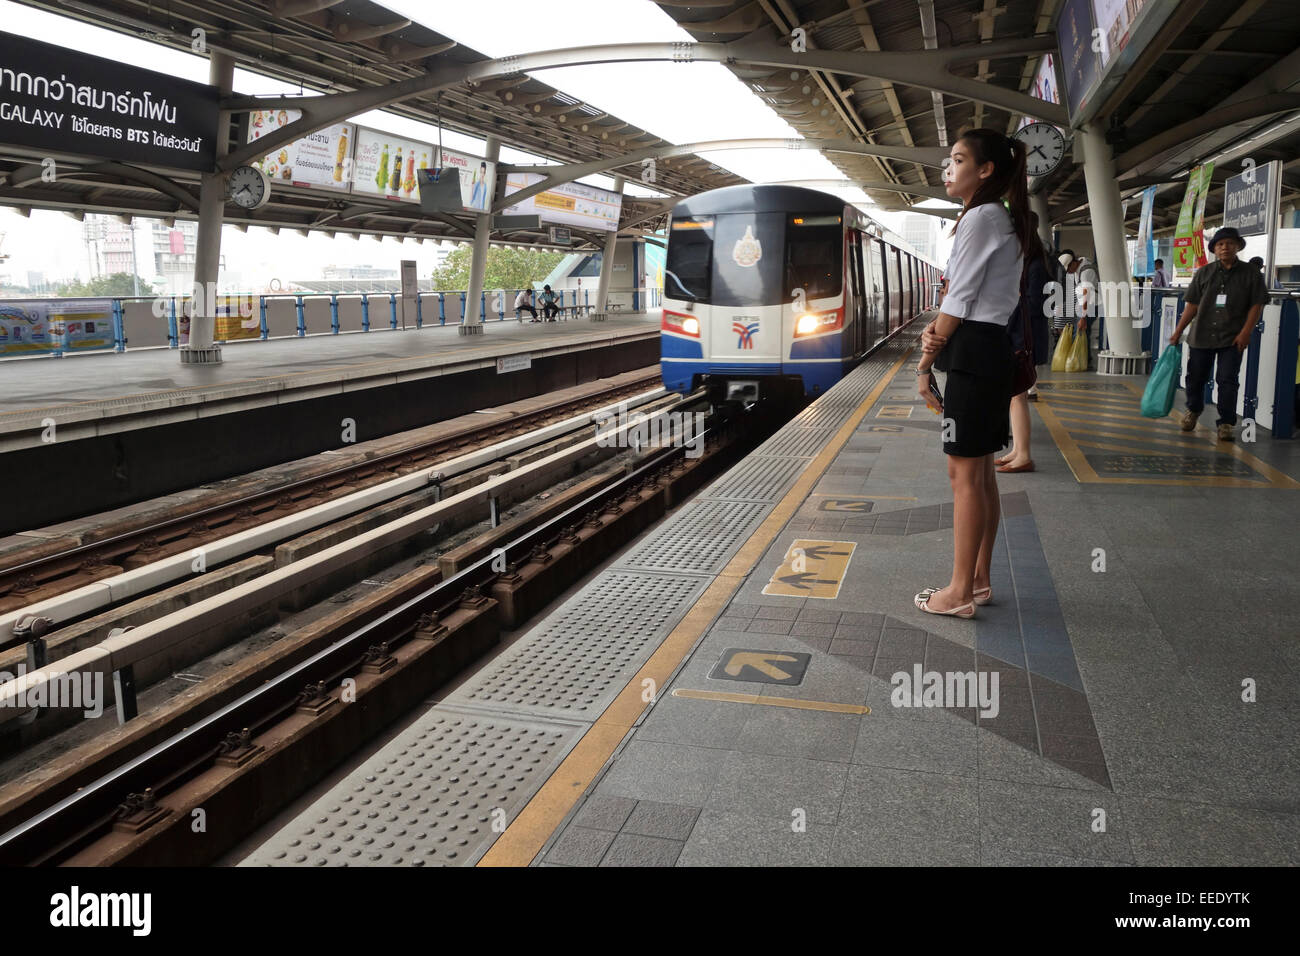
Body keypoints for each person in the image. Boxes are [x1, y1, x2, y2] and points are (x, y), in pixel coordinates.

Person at [913, 128, 1029, 619]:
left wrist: (924, 360)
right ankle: (978, 581)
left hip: (973, 351)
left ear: (985, 171)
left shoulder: (980, 218)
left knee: (964, 473)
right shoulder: (999, 217)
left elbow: (957, 299)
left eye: (958, 159)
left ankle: (959, 592)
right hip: (987, 349)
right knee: (979, 474)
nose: (949, 167)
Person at [1167, 226, 1269, 441]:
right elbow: (1192, 305)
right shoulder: (1204, 272)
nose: (1225, 248)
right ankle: (1193, 410)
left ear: (1238, 246)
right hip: (1201, 335)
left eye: (1230, 243)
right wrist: (1178, 331)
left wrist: (1246, 332)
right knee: (1195, 378)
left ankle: (1225, 423)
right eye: (1220, 244)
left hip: (1232, 337)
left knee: (1227, 380)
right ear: (1214, 249)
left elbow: (1257, 304)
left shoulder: (1251, 273)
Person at [996, 212, 1051, 473]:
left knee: (1018, 396)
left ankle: (1024, 455)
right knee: (1015, 396)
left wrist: (1013, 302)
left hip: (1023, 336)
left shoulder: (1036, 264)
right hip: (1021, 334)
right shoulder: (1032, 260)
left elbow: (1033, 304)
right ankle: (1017, 450)